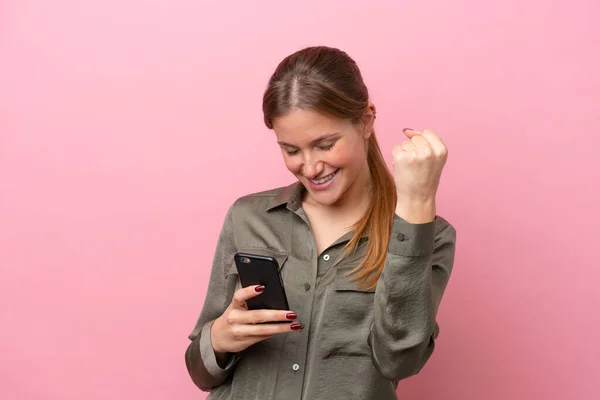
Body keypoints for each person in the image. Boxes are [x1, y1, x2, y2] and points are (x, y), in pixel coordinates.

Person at [185, 45, 457, 400]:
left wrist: (416, 203)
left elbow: (399, 361)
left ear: (366, 120)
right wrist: (218, 338)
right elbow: (200, 372)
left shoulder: (429, 236)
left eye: (325, 144)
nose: (310, 168)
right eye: (292, 150)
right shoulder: (248, 217)